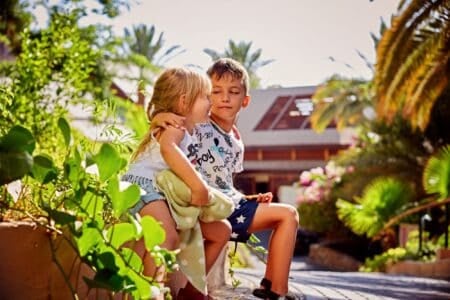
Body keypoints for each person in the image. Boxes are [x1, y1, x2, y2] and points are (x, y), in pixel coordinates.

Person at [154, 58, 300, 300]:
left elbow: (225, 182)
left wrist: (249, 198)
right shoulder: (198, 124)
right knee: (288, 214)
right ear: (205, 96)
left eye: (233, 92)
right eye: (216, 92)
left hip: (230, 204)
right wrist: (160, 118)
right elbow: (170, 116)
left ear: (245, 100)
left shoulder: (236, 139)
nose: (224, 98)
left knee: (288, 214)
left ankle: (273, 287)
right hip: (205, 204)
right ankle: (276, 291)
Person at [122, 67, 231, 300]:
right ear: (183, 102)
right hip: (143, 188)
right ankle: (151, 293)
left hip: (165, 194)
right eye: (205, 95)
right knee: (166, 238)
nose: (211, 100)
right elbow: (167, 149)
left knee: (222, 230)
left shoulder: (182, 128)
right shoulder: (173, 129)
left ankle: (192, 293)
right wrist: (198, 187)